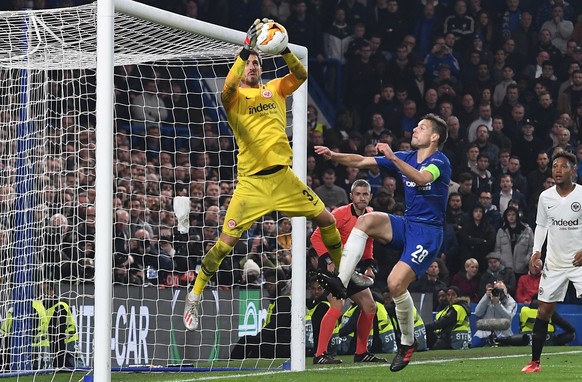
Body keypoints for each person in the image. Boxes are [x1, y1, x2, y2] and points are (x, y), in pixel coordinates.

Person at [183, 19, 344, 331]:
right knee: (225, 244)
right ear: (242, 68)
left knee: (328, 220)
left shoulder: (275, 89)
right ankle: (195, 294)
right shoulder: (233, 99)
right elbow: (228, 86)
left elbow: (301, 74)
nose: (253, 67)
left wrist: (283, 50)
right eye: (249, 64)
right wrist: (245, 50)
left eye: (257, 62)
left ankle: (342, 271)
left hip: (283, 179)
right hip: (252, 184)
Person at [314, 113, 450, 372]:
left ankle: (408, 343)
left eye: (421, 128)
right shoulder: (406, 157)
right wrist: (334, 155)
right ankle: (341, 281)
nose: (414, 130)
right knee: (365, 220)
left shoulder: (439, 161)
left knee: (395, 284)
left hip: (428, 233)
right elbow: (361, 160)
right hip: (408, 223)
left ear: (435, 137)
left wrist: (392, 157)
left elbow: (423, 179)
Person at [310, 179, 387, 364]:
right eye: (358, 194)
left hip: (350, 268)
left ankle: (361, 353)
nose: (362, 197)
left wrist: (369, 265)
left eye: (365, 194)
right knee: (337, 307)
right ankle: (320, 355)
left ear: (370, 196)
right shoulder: (340, 214)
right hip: (332, 268)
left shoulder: (370, 216)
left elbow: (368, 243)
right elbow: (316, 236)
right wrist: (327, 260)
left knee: (370, 307)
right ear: (351, 196)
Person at [522, 151, 582, 373]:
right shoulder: (545, 197)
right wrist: (536, 252)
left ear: (573, 170)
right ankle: (534, 362)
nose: (557, 170)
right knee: (543, 311)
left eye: (563, 166)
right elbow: (542, 226)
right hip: (554, 263)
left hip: (579, 263)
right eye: (555, 166)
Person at [230, 268, 291, 359]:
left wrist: (260, 335)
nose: (268, 286)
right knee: (252, 350)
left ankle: (230, 364)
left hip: (281, 345)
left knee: (247, 340)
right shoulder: (278, 301)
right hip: (275, 343)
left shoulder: (284, 301)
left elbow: (276, 327)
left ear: (280, 284)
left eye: (272, 282)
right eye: (267, 282)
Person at [472, 280, 517, 348]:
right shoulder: (487, 298)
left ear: (506, 290)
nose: (500, 292)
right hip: (484, 333)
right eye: (497, 289)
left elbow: (508, 317)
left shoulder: (511, 302)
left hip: (504, 334)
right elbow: (477, 313)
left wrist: (497, 304)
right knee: (473, 345)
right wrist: (486, 297)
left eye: (502, 289)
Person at [424, 286, 471, 350]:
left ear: (458, 296)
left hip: (451, 337)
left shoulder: (457, 308)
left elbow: (443, 322)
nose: (450, 297)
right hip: (453, 336)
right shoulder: (451, 308)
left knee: (427, 332)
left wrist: (425, 326)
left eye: (453, 295)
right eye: (448, 295)